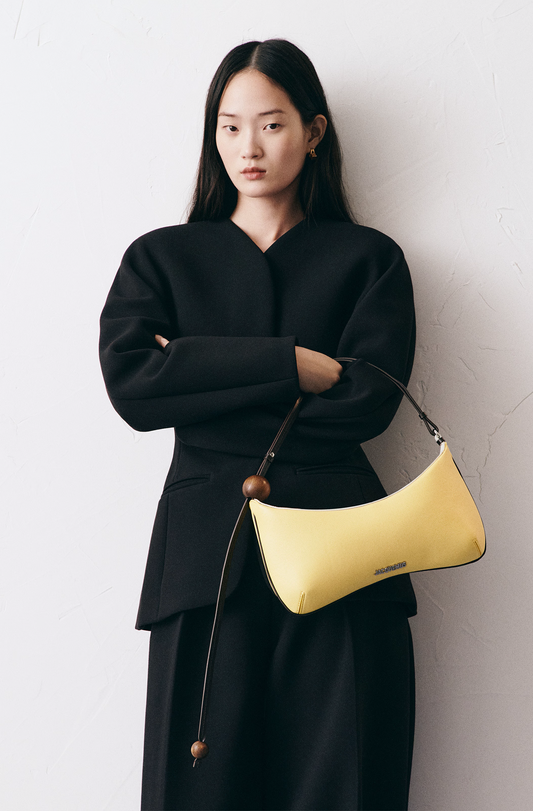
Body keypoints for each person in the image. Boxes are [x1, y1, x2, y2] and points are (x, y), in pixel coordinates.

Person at [99, 38, 417, 811]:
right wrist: (291, 365)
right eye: (230, 126)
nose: (249, 146)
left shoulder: (368, 260)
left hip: (343, 558)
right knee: (197, 791)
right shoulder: (161, 259)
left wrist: (196, 367)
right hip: (203, 567)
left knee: (346, 786)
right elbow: (135, 387)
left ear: (313, 132)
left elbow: (365, 403)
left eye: (271, 124)